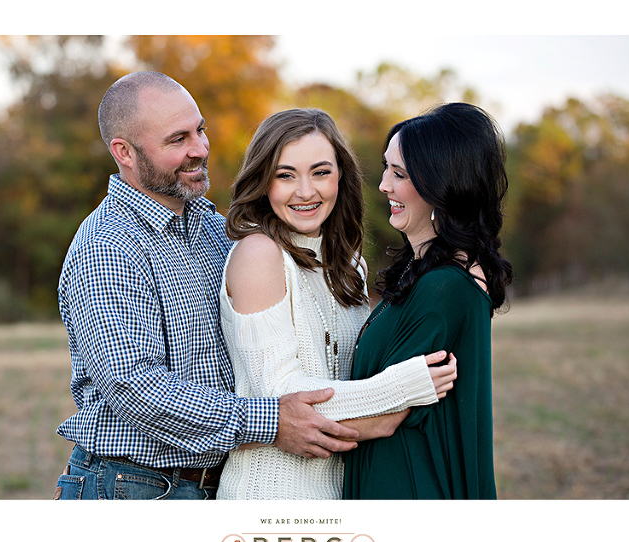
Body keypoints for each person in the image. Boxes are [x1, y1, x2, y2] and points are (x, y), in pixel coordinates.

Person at [54, 72, 361, 500]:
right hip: (134, 487)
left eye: (200, 129)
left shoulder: (215, 228)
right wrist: (270, 422)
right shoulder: (107, 247)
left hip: (215, 483)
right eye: (177, 139)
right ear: (123, 152)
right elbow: (136, 387)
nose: (199, 149)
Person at [216, 108, 458, 499]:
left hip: (341, 490)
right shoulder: (258, 254)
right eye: (285, 175)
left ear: (341, 176)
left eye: (320, 172)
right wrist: (398, 391)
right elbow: (283, 396)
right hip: (271, 496)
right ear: (263, 183)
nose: (306, 191)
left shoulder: (350, 266)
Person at [343, 103, 514, 499]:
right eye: (386, 168)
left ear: (442, 186)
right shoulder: (425, 273)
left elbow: (381, 415)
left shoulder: (445, 288)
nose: (384, 185)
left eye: (399, 174)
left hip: (408, 487)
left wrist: (270, 421)